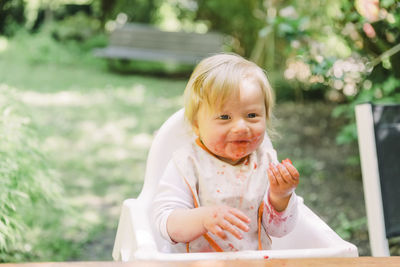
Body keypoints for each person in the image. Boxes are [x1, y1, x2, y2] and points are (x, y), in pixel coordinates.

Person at [152, 53, 300, 253]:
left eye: (252, 115)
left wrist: (280, 196)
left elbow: (279, 230)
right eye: (224, 117)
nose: (240, 126)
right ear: (197, 125)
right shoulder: (187, 163)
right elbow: (165, 223)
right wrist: (203, 218)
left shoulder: (265, 161)